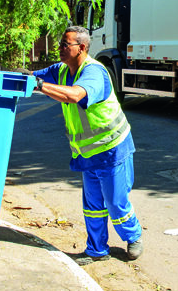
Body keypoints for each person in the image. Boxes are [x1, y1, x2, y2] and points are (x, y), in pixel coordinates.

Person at [32, 26, 143, 266]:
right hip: (87, 152)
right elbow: (32, 78)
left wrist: (40, 85)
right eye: (60, 44)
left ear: (81, 47)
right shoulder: (60, 71)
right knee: (92, 206)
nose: (59, 49)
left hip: (113, 149)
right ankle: (96, 250)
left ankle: (133, 236)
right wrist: (20, 79)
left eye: (65, 45)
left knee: (115, 203)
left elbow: (75, 95)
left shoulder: (94, 73)